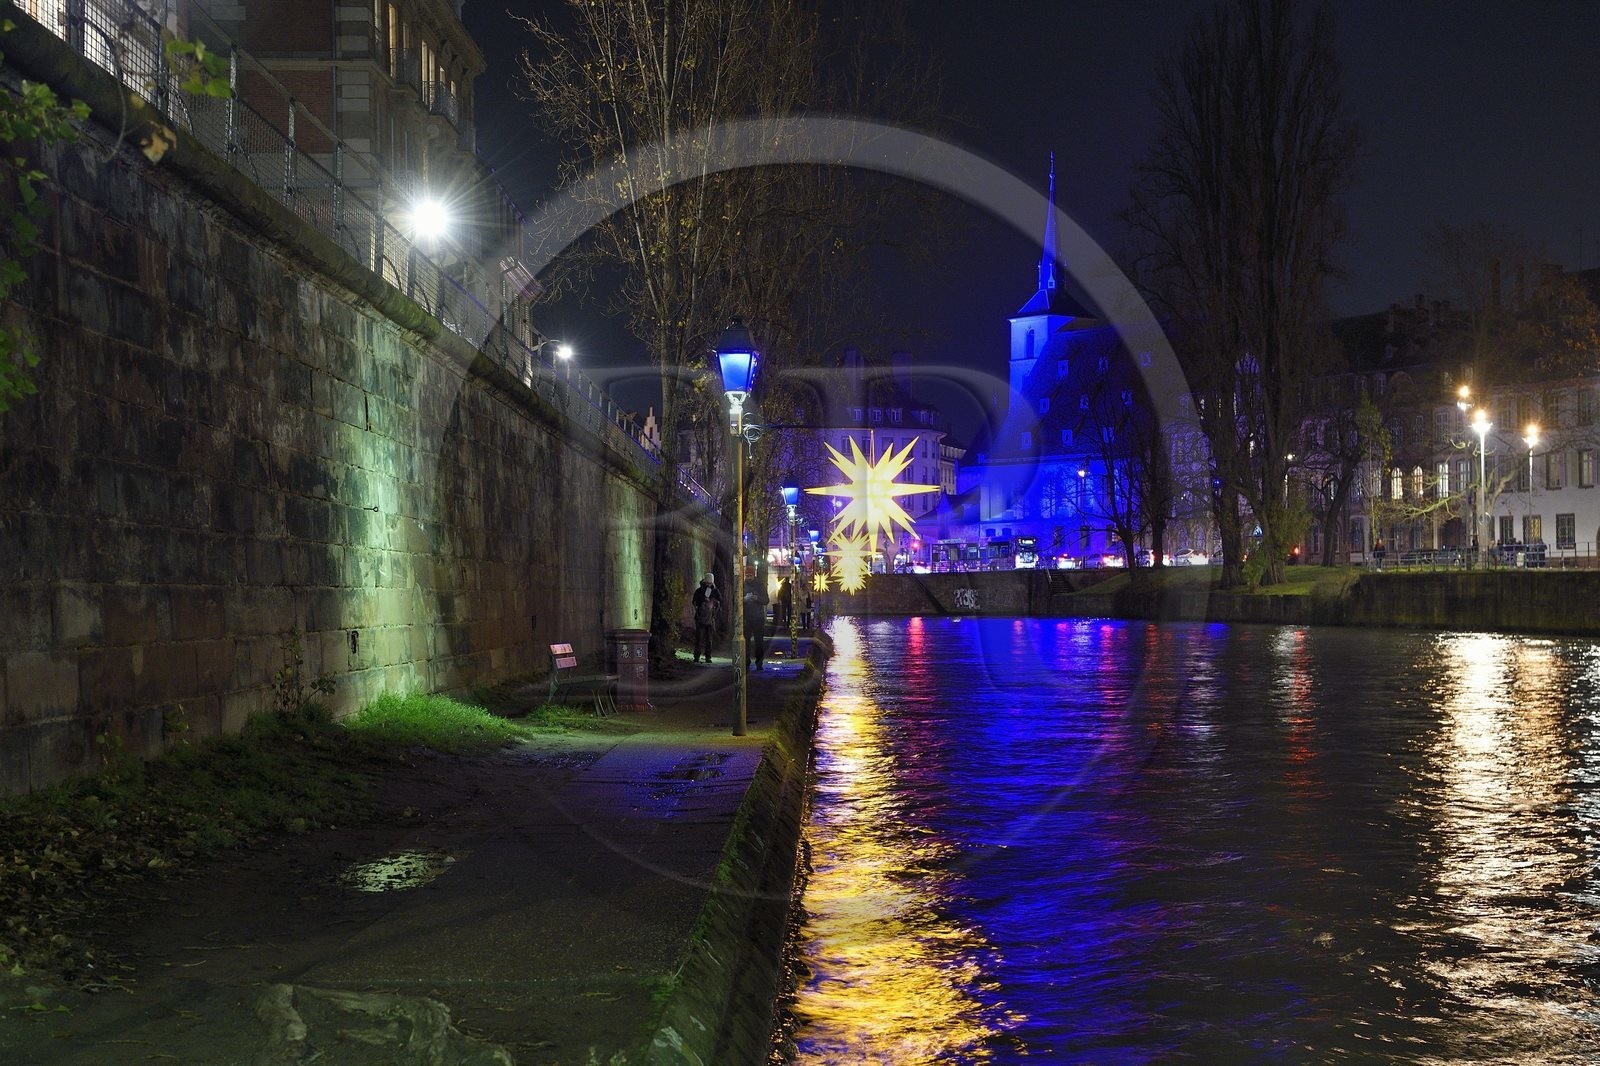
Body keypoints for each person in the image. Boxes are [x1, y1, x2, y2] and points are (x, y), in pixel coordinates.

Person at [691, 573, 720, 663]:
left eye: (710, 583)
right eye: (707, 583)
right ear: (705, 582)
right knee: (699, 638)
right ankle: (697, 656)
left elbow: (720, 600)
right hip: (701, 618)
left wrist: (712, 601)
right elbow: (694, 601)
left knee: (709, 639)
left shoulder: (715, 591)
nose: (709, 585)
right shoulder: (699, 591)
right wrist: (703, 600)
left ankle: (708, 656)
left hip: (710, 618)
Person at [743, 588, 769, 671]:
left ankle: (759, 663)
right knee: (746, 642)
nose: (748, 576)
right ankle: (746, 662)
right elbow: (735, 599)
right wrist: (743, 599)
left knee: (759, 642)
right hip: (747, 618)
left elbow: (766, 600)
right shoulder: (742, 585)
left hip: (758, 619)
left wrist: (757, 598)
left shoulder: (759, 585)